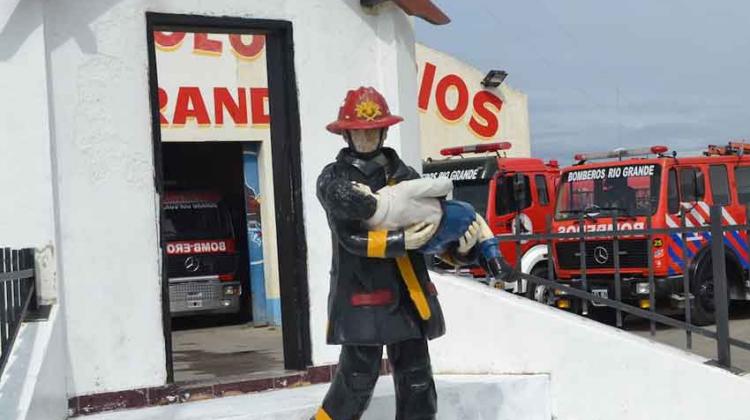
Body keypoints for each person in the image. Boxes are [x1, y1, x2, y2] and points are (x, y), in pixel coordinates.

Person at [312, 87, 481, 420]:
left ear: (384, 131)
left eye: (372, 130)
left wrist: (460, 251)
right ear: (346, 133)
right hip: (362, 296)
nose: (365, 137)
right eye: (359, 131)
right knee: (356, 382)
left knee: (418, 383)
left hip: (408, 296)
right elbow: (348, 237)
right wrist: (401, 241)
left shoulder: (408, 177)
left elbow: (433, 235)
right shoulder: (335, 179)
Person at [322, 177, 518, 283]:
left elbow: (449, 256)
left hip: (427, 246)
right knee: (475, 216)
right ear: (360, 187)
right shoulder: (398, 190)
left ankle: (491, 260)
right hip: (445, 220)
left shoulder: (370, 228)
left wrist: (463, 253)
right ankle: (495, 258)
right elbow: (443, 185)